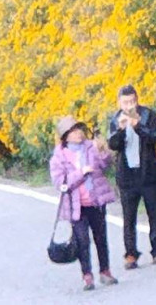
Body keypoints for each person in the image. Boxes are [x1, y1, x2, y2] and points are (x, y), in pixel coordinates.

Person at [49, 116, 119, 290]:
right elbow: (60, 182)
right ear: (66, 136)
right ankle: (87, 275)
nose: (78, 133)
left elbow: (104, 165)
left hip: (95, 201)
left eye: (79, 129)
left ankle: (105, 271)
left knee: (101, 237)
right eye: (73, 131)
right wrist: (80, 172)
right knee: (82, 241)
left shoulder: (90, 147)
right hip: (76, 206)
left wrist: (103, 151)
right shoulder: (59, 156)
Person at [106, 85, 156, 268]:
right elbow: (112, 144)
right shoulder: (115, 119)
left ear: (137, 100)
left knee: (155, 213)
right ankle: (130, 254)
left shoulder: (148, 115)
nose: (129, 106)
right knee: (128, 217)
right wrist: (120, 129)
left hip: (149, 173)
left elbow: (155, 137)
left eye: (132, 101)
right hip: (127, 176)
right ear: (119, 102)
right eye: (125, 102)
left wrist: (138, 126)